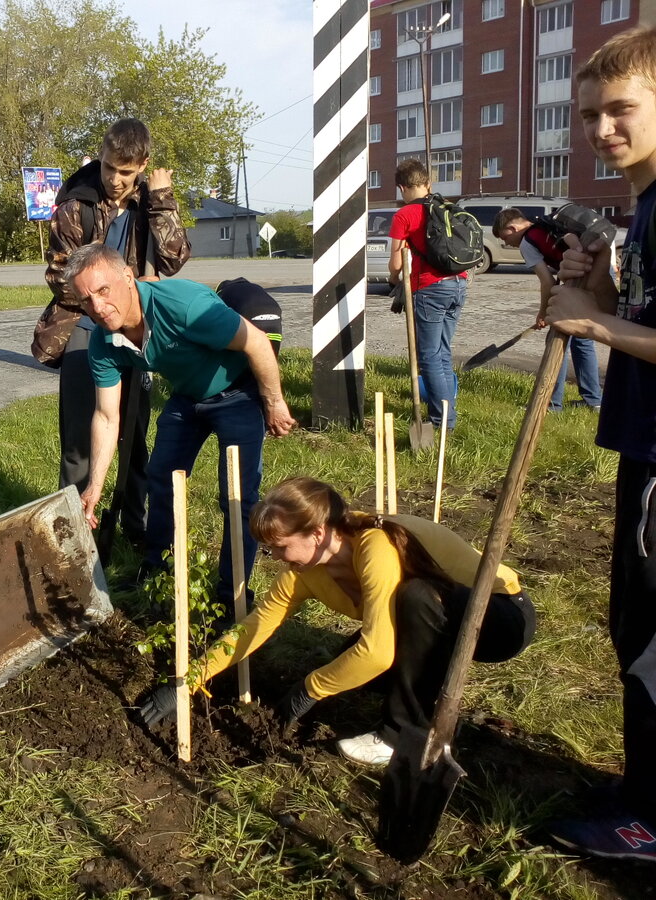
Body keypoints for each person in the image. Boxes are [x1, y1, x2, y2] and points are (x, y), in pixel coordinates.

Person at [140, 477, 535, 767]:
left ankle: (398, 735)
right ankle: (429, 707)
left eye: (279, 547)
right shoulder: (304, 570)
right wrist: (188, 681)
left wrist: (310, 687)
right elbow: (254, 626)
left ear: (316, 533)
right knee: (353, 664)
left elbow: (379, 652)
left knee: (412, 601)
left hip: (499, 618)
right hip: (440, 627)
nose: (275, 557)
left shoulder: (374, 545)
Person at [545, 26, 656, 861]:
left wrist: (593, 321)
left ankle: (649, 824)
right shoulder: (645, 206)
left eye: (620, 109)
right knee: (633, 620)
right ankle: (642, 785)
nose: (600, 129)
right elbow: (637, 314)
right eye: (588, 115)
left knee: (655, 631)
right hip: (640, 441)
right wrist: (596, 283)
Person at [67, 243, 295, 606]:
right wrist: (94, 486)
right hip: (187, 398)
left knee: (237, 497)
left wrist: (274, 402)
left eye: (103, 290)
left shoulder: (185, 306)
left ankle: (232, 595)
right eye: (85, 300)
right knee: (162, 479)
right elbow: (107, 416)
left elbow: (257, 343)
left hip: (239, 393)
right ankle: (157, 576)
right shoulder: (103, 341)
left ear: (127, 277)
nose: (96, 307)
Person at [32, 118, 191, 548]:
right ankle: (74, 532)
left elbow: (175, 260)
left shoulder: (148, 200)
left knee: (135, 434)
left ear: (142, 165)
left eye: (125, 172)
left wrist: (161, 199)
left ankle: (133, 527)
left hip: (139, 327)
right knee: (80, 439)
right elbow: (58, 276)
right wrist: (106, 296)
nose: (115, 180)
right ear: (99, 156)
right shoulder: (75, 203)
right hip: (83, 324)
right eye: (108, 168)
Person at [492, 208, 602, 411]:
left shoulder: (528, 241)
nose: (506, 243)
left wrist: (543, 313)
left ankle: (551, 403)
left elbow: (547, 281)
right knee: (582, 340)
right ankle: (593, 401)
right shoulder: (547, 226)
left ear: (512, 227)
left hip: (578, 282)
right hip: (596, 275)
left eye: (504, 237)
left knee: (556, 340)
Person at [388, 158, 468, 429]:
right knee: (442, 353)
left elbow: (397, 262)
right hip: (459, 282)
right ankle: (448, 416)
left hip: (429, 287)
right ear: (428, 183)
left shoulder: (404, 215)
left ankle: (442, 421)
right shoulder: (448, 207)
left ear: (402, 188)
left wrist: (392, 279)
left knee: (430, 356)